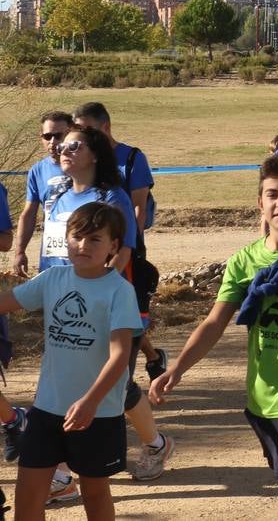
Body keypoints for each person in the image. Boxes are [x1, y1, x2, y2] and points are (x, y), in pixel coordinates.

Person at [148, 155, 278, 521]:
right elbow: (214, 322)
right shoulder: (244, 261)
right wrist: (178, 369)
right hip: (262, 399)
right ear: (260, 203)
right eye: (272, 194)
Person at [1, 202, 141, 521]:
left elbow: (120, 355)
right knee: (27, 496)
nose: (83, 245)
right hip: (47, 409)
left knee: (94, 493)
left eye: (94, 239)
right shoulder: (53, 279)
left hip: (98, 412)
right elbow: (7, 302)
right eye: (76, 236)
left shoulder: (119, 291)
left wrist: (90, 402)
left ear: (113, 246)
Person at [73, 102, 165, 382]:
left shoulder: (132, 157)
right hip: (93, 248)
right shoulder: (83, 158)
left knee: (126, 310)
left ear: (106, 126)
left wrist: (128, 247)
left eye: (87, 128)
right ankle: (151, 356)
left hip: (123, 249)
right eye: (78, 129)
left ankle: (123, 381)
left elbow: (137, 207)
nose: (82, 135)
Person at [14, 110, 72, 277]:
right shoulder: (37, 171)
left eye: (59, 135)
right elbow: (29, 213)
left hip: (82, 257)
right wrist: (20, 252)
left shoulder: (87, 167)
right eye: (47, 136)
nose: (52, 141)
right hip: (51, 259)